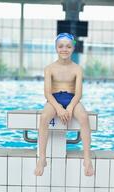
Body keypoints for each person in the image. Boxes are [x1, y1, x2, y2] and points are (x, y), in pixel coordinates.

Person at [34, 33, 94, 176]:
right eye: (61, 46)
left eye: (68, 46)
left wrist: (71, 107)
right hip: (54, 99)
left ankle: (87, 157)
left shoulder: (77, 69)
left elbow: (78, 93)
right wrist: (59, 108)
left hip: (72, 98)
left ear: (73, 48)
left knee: (84, 118)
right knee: (43, 118)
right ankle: (42, 157)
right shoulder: (49, 68)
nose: (64, 49)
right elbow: (47, 93)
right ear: (56, 48)